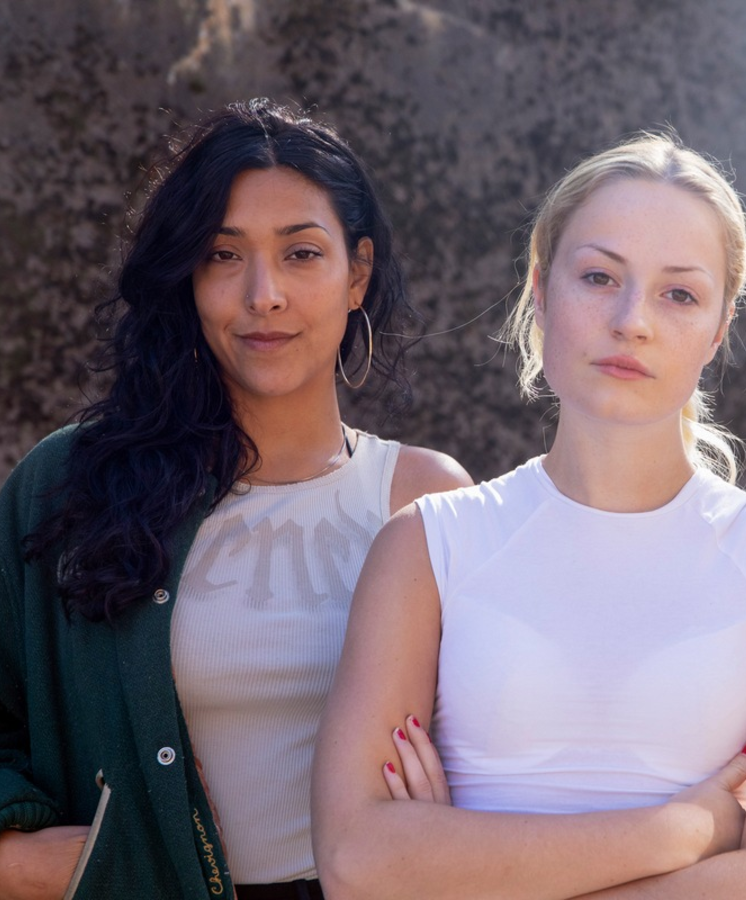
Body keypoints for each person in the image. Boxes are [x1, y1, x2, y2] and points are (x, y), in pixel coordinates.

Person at [312, 133, 746, 899]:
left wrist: (454, 873)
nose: (632, 320)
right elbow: (355, 861)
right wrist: (679, 831)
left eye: (679, 294)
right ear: (541, 291)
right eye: (600, 277)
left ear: (720, 327)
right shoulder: (429, 543)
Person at [0, 99, 470, 900]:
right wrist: (37, 864)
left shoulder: (430, 500)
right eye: (223, 255)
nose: (264, 294)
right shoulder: (68, 488)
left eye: (301, 254)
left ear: (357, 274)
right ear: (187, 277)